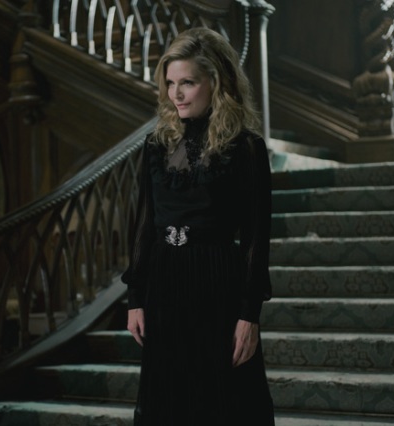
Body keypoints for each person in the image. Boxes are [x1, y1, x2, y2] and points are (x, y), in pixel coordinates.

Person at [122, 27, 275, 425]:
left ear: (216, 82)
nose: (176, 94)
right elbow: (145, 224)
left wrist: (249, 314)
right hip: (165, 282)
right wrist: (135, 297)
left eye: (187, 83)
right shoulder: (156, 145)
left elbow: (256, 236)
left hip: (217, 282)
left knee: (223, 405)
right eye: (171, 83)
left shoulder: (246, 148)